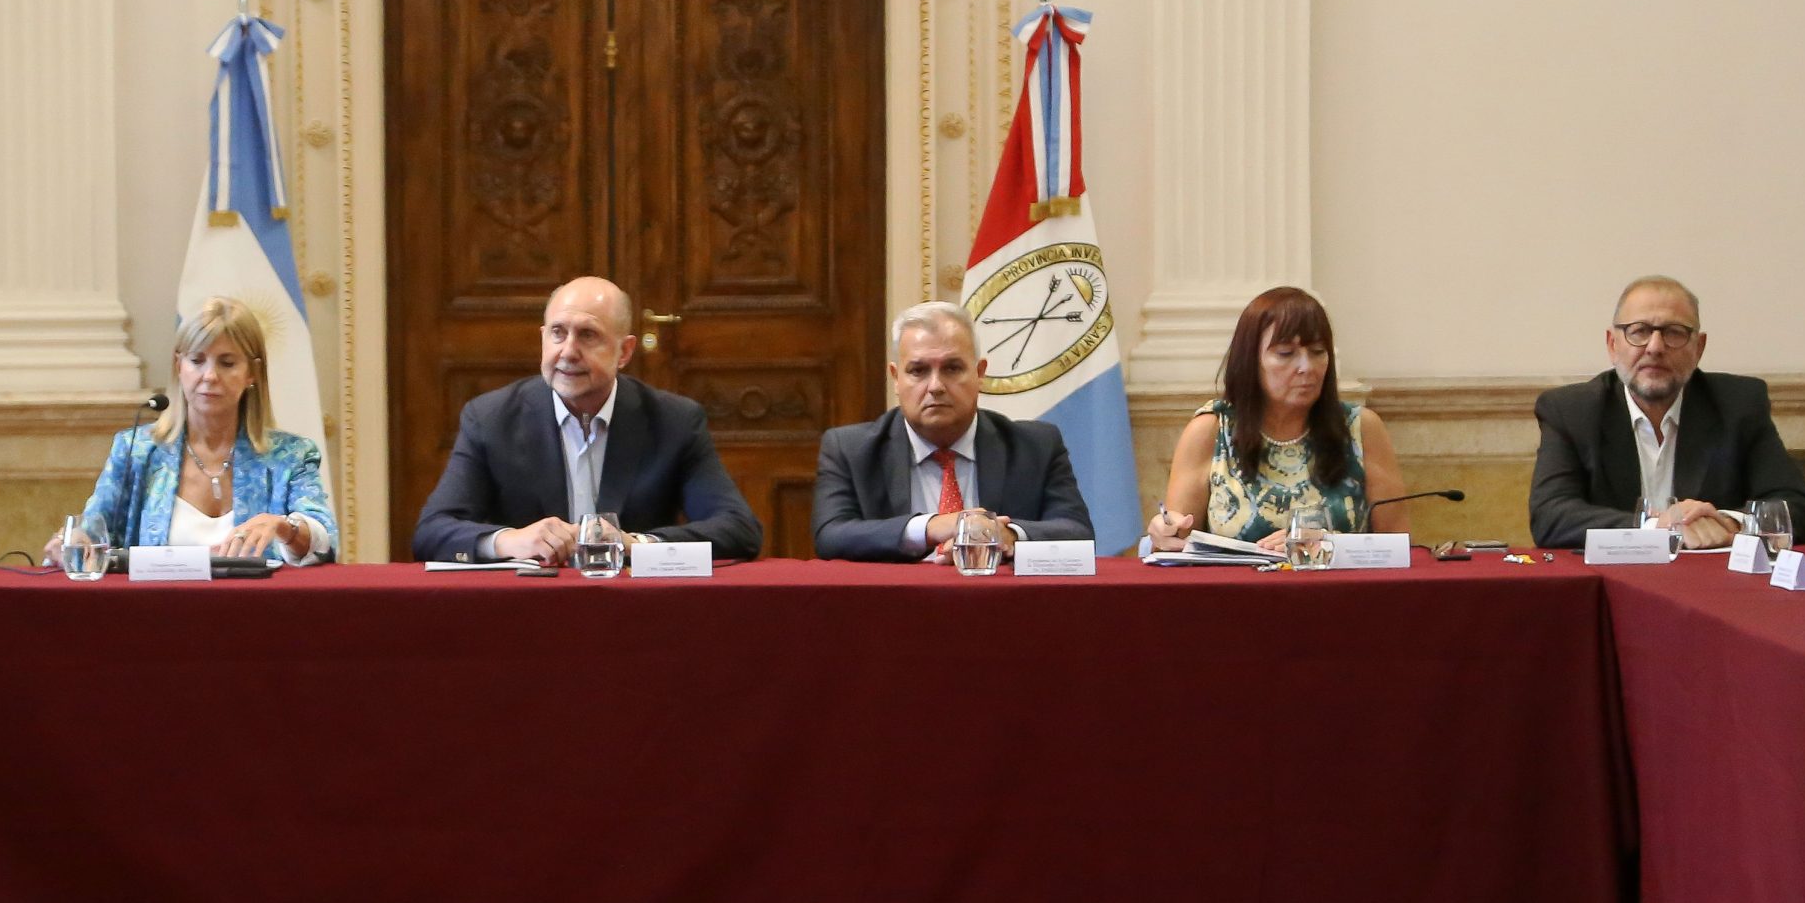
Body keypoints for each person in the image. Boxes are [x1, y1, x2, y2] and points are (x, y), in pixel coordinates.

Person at [412, 276, 762, 563]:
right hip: (527, 607)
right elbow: (432, 531)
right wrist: (508, 541)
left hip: (635, 607)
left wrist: (636, 544)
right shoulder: (491, 419)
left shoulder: (674, 421)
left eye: (588, 335)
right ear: (543, 338)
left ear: (624, 351)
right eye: (558, 333)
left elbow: (739, 529)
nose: (567, 352)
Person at [1530, 275, 1805, 549]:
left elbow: (1796, 510)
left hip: (1708, 580)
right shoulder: (1571, 411)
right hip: (1611, 578)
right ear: (1612, 345)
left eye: (1674, 332)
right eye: (1639, 331)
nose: (1655, 347)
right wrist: (1656, 526)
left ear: (1699, 348)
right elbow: (1550, 517)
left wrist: (1729, 523)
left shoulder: (1738, 405)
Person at [61, 297, 337, 562]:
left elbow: (325, 543)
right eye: (196, 360)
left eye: (227, 363)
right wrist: (74, 543)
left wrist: (284, 527)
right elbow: (93, 534)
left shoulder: (290, 456)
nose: (210, 376)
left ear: (252, 373)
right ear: (178, 366)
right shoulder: (136, 450)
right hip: (158, 596)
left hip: (255, 597)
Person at [814, 301, 1093, 559]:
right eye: (918, 371)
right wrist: (929, 527)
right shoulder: (850, 449)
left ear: (979, 373)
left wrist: (1008, 535)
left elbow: (1077, 532)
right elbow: (830, 536)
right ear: (896, 378)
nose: (935, 386)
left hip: (998, 596)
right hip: (898, 597)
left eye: (952, 368)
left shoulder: (1035, 446)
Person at [1147, 286, 1407, 552]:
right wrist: (1165, 533)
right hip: (1234, 580)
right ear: (1251, 360)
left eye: (1318, 351)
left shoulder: (1361, 428)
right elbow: (1176, 546)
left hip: (1337, 580)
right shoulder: (1212, 429)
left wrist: (1332, 545)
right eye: (1285, 353)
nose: (1307, 367)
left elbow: (1399, 548)